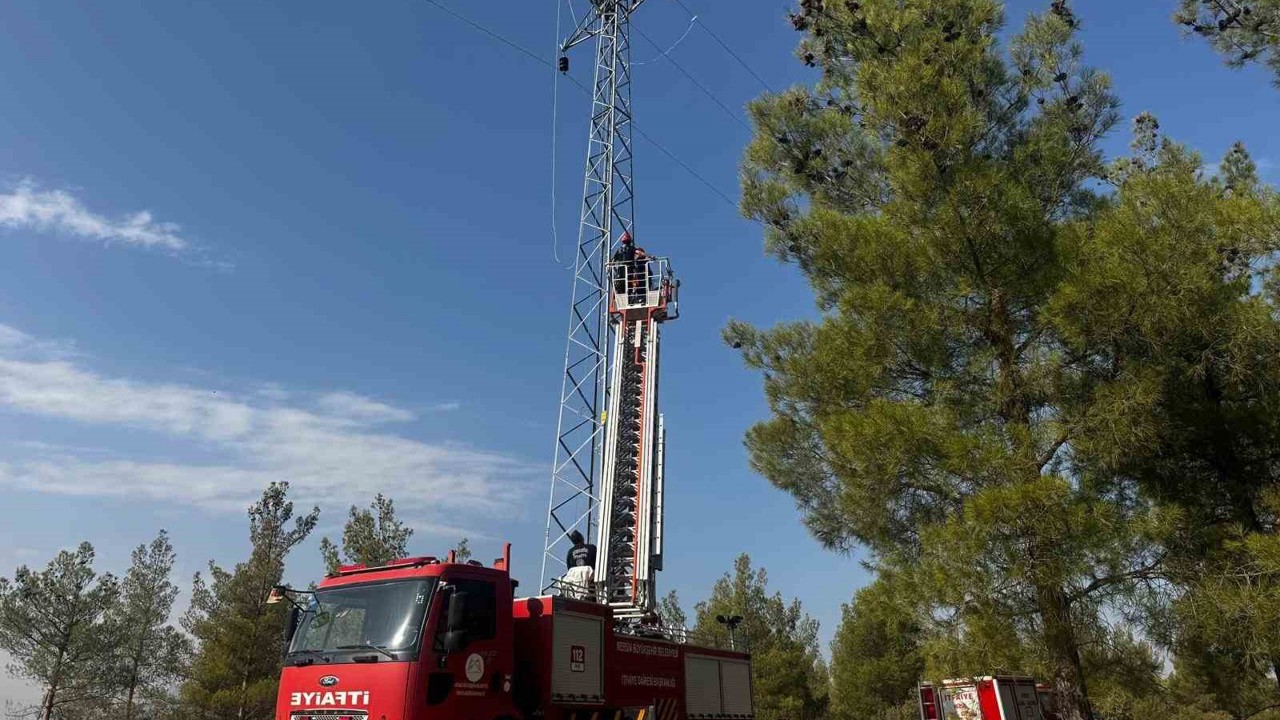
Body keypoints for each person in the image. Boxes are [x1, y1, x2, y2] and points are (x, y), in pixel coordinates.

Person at [561, 530, 597, 600]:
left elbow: (569, 569)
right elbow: (597, 563)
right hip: (591, 584)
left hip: (575, 587)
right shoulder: (592, 548)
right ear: (582, 538)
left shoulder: (570, 552)